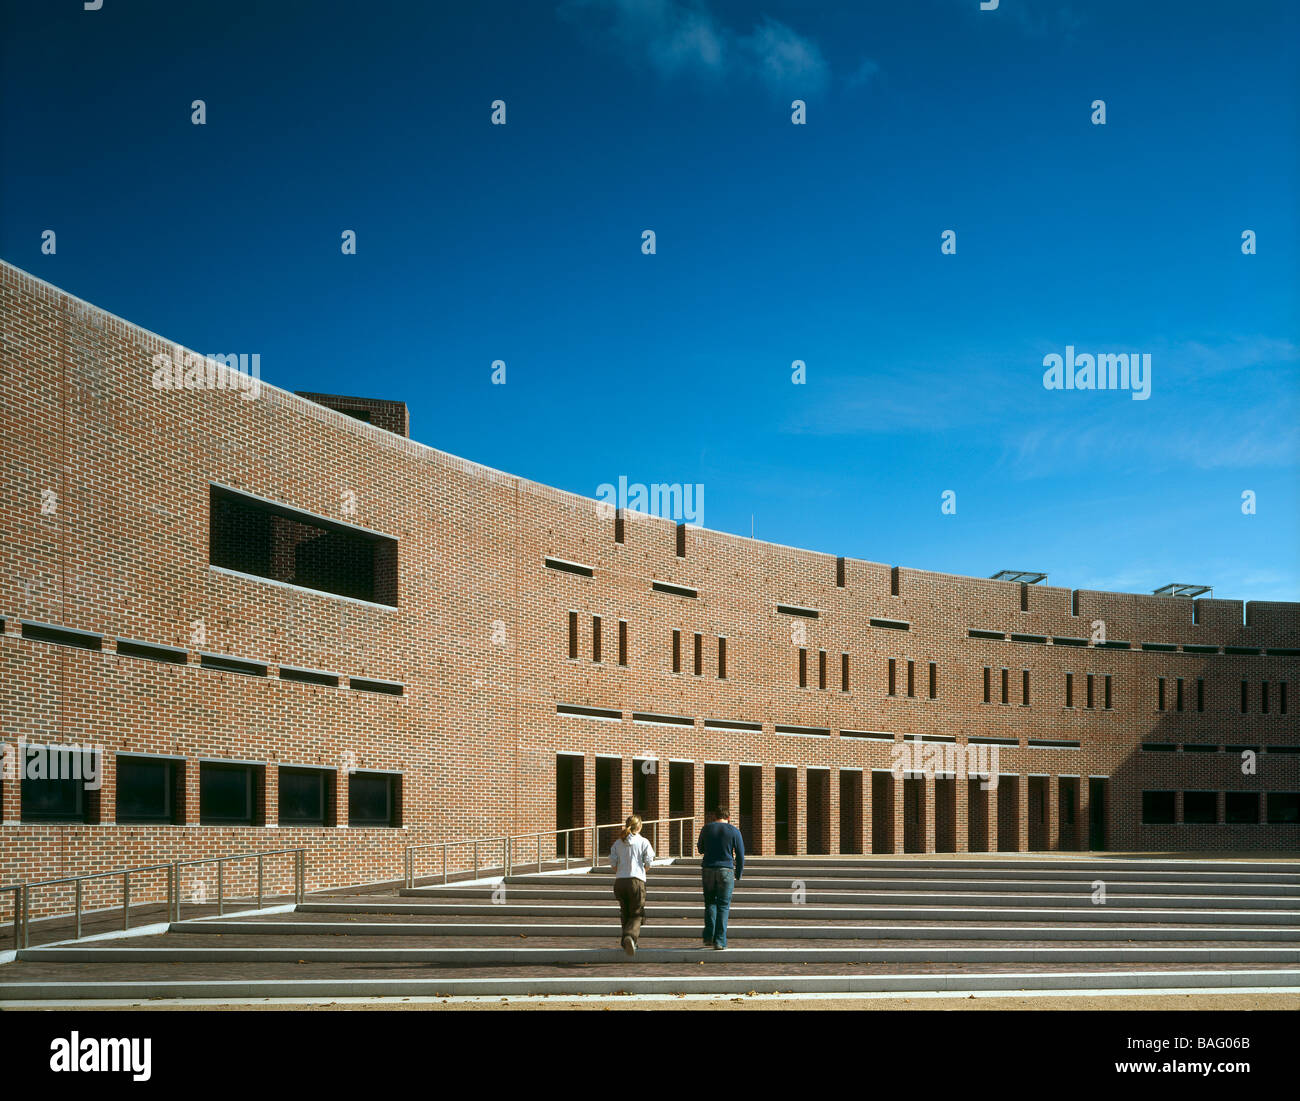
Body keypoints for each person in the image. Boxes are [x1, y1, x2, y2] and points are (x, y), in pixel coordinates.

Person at [608, 813, 655, 957]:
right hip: (636, 880)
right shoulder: (644, 842)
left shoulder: (618, 843)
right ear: (639, 826)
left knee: (625, 912)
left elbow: (613, 864)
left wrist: (622, 871)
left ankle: (627, 942)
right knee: (637, 914)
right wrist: (642, 870)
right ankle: (630, 936)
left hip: (620, 881)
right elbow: (649, 863)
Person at [697, 806, 744, 949]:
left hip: (708, 868)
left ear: (714, 816)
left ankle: (708, 936)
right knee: (723, 905)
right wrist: (738, 873)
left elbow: (700, 849)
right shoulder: (734, 831)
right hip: (726, 869)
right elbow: (741, 855)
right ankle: (719, 940)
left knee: (710, 902)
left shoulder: (706, 828)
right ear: (728, 817)